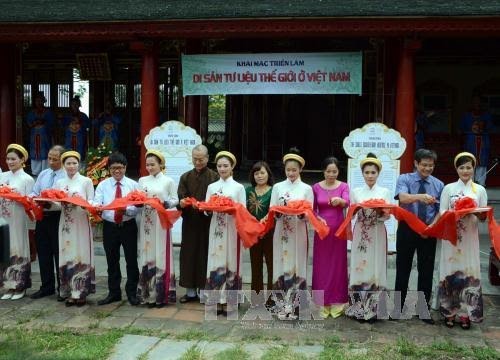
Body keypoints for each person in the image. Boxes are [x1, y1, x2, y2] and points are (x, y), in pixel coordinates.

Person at [438, 152, 487, 330]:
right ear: (456, 169)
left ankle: (466, 313)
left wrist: (473, 211)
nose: (465, 171)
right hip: (452, 237)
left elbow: (483, 216)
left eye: (468, 167)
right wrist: (456, 211)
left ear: (473, 168)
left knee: (468, 272)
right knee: (451, 271)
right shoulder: (449, 189)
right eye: (461, 167)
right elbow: (442, 211)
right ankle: (450, 311)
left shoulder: (479, 190)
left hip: (470, 238)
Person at [394, 149, 444, 324]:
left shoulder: (439, 184)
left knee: (426, 271)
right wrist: (420, 197)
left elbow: (441, 210)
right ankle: (397, 308)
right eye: (424, 164)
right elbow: (402, 198)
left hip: (428, 231)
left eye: (430, 165)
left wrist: (432, 226)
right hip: (407, 229)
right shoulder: (405, 179)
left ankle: (423, 310)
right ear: (416, 163)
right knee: (402, 269)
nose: (427, 168)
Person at [345, 153, 392, 322]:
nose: (370, 176)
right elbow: (350, 215)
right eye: (367, 172)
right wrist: (357, 210)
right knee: (359, 266)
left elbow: (388, 216)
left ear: (378, 173)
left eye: (373, 172)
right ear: (362, 174)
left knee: (376, 266)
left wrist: (380, 212)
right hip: (361, 232)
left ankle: (374, 310)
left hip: (378, 231)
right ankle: (357, 308)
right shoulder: (356, 192)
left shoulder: (385, 191)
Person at [93, 152, 140, 306]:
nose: (117, 171)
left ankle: (132, 293)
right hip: (110, 227)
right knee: (111, 261)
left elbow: (137, 207)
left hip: (128, 226)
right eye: (113, 168)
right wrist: (97, 208)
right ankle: (114, 293)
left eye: (120, 168)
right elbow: (97, 202)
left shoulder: (133, 185)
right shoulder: (103, 185)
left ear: (125, 168)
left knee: (131, 260)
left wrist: (125, 209)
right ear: (109, 169)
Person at [204, 151, 246, 315]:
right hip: (216, 228)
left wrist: (231, 209)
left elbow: (242, 210)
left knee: (231, 261)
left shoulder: (239, 187)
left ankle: (230, 302)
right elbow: (207, 209)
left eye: (225, 166)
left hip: (232, 229)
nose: (222, 169)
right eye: (219, 166)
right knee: (215, 261)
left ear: (232, 167)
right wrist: (207, 210)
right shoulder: (212, 187)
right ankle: (215, 301)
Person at [177, 144, 218, 303]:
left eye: (201, 159)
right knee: (188, 255)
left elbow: (216, 199)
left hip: (208, 222)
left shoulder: (214, 177)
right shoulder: (185, 177)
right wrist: (185, 203)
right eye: (195, 159)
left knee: (205, 255)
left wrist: (205, 207)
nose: (198, 162)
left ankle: (204, 290)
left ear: (207, 158)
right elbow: (182, 195)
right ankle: (190, 291)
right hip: (190, 222)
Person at [137, 150, 179, 307]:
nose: (149, 167)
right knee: (146, 252)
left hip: (161, 221)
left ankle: (161, 295)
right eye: (147, 165)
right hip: (146, 221)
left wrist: (167, 203)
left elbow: (176, 199)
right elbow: (138, 197)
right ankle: (147, 294)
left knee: (161, 253)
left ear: (161, 164)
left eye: (153, 164)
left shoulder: (168, 181)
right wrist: (138, 202)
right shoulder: (142, 180)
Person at [270, 148, 314, 293]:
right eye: (288, 170)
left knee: (298, 262)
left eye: (294, 170)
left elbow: (310, 212)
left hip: (299, 230)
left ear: (300, 169)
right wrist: (278, 213)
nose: (290, 173)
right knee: (280, 261)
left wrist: (302, 215)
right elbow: (272, 208)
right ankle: (280, 299)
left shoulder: (307, 189)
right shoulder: (277, 187)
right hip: (281, 229)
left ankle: (297, 302)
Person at [54, 151, 94, 306]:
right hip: (65, 223)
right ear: (63, 165)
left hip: (81, 221)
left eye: (74, 163)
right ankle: (70, 291)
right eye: (68, 163)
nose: (71, 166)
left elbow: (91, 201)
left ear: (79, 164)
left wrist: (81, 202)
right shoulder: (59, 183)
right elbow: (57, 203)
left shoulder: (86, 181)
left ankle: (81, 292)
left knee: (81, 254)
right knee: (67, 254)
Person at [312, 156, 349, 319]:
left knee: (337, 265)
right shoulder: (315, 187)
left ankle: (337, 303)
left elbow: (348, 202)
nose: (331, 174)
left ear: (338, 171)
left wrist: (340, 200)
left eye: (334, 171)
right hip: (322, 231)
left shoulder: (344, 186)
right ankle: (322, 303)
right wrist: (317, 217)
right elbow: (311, 209)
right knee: (321, 265)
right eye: (328, 171)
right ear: (323, 171)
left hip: (338, 231)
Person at [29, 145, 66, 300]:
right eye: (49, 158)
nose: (51, 162)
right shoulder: (44, 174)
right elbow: (34, 192)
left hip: (58, 217)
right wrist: (34, 199)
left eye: (55, 159)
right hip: (42, 217)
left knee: (59, 253)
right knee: (43, 252)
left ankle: (61, 287)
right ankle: (46, 286)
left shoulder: (66, 176)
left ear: (62, 160)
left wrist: (54, 203)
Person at [0, 144, 34, 300]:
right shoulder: (3, 176)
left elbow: (30, 202)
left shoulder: (27, 179)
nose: (10, 162)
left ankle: (20, 286)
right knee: (4, 249)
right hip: (3, 218)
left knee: (18, 248)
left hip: (18, 218)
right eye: (8, 159)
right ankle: (7, 286)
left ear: (22, 160)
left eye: (13, 159)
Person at [246, 161, 274, 302]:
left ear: (268, 174)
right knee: (255, 265)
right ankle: (256, 299)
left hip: (270, 232)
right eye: (256, 173)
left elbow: (274, 210)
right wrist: (253, 223)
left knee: (271, 266)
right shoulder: (248, 191)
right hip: (253, 233)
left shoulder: (274, 190)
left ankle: (271, 299)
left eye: (262, 173)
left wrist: (264, 221)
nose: (259, 176)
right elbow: (243, 210)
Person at [460, 95, 493, 186]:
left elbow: (490, 128)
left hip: (483, 141)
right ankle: (469, 184)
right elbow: (462, 128)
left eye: (479, 102)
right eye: (475, 102)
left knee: (482, 163)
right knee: (469, 161)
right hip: (470, 141)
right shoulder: (466, 115)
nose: (477, 104)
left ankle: (481, 185)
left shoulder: (486, 115)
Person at [25, 91, 55, 176]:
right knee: (35, 152)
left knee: (45, 152)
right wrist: (35, 123)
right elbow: (29, 124)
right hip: (34, 136)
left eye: (40, 100)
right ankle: (35, 172)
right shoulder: (31, 113)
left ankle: (45, 172)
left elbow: (51, 124)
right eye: (36, 100)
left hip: (44, 137)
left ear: (43, 101)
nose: (38, 102)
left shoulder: (48, 112)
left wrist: (43, 122)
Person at [63, 96, 90, 161]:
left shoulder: (83, 115)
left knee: (80, 157)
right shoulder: (67, 116)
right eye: (73, 104)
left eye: (76, 104)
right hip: (69, 140)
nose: (74, 106)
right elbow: (63, 125)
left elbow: (88, 125)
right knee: (69, 157)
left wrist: (80, 121)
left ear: (79, 105)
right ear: (71, 105)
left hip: (80, 140)